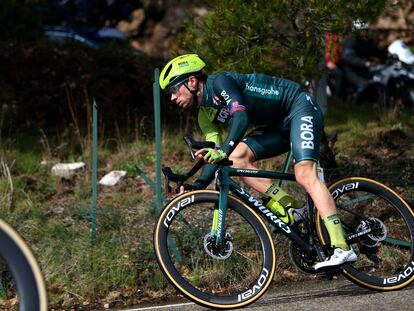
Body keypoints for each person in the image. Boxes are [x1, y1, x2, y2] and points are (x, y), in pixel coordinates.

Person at [159, 54, 357, 269]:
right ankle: (292, 206)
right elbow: (215, 156)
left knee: (304, 174)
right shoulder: (204, 116)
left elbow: (241, 118)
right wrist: (194, 185)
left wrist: (222, 150)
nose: (172, 97)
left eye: (173, 89)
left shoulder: (219, 83)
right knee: (235, 159)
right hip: (276, 126)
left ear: (191, 81)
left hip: (299, 107)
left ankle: (342, 247)